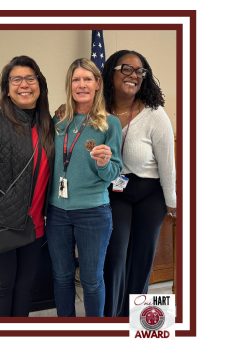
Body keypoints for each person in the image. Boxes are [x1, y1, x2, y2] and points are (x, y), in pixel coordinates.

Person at [55, 50, 176, 317]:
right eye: (127, 69)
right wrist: (67, 109)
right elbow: (74, 120)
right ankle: (110, 321)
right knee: (115, 257)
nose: (134, 75)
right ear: (110, 72)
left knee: (142, 260)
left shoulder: (155, 115)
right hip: (115, 192)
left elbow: (168, 163)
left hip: (149, 193)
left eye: (139, 71)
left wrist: (174, 203)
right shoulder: (99, 110)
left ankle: (140, 323)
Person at [0, 56, 54, 317]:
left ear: (40, 84)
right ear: (7, 88)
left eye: (30, 78)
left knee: (25, 288)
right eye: (16, 79)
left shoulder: (48, 126)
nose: (24, 84)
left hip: (34, 228)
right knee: (3, 287)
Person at [46, 58, 123, 317]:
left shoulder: (109, 123)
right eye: (76, 79)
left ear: (97, 83)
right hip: (57, 212)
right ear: (69, 84)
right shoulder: (57, 121)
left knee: (91, 280)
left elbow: (114, 172)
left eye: (87, 79)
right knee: (62, 277)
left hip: (92, 211)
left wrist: (103, 162)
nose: (81, 85)